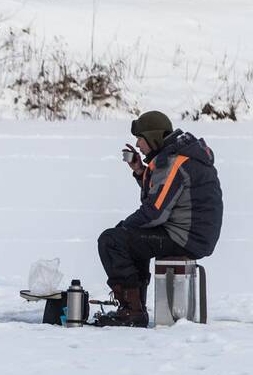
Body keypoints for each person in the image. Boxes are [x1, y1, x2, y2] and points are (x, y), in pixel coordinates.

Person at [95, 111, 223, 327]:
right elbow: (163, 196)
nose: (137, 144)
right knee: (129, 239)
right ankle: (134, 308)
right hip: (193, 234)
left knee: (112, 241)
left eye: (140, 138)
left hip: (186, 237)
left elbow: (154, 211)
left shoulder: (174, 163)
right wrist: (139, 171)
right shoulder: (178, 156)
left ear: (153, 137)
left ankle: (132, 311)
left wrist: (123, 228)